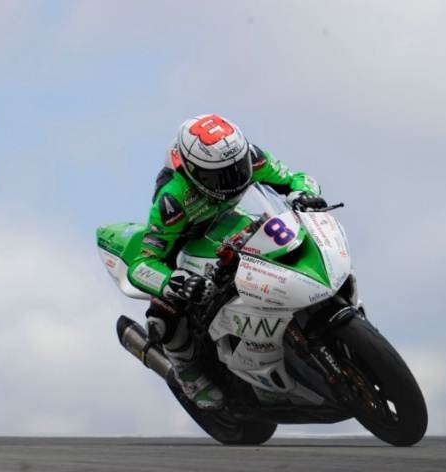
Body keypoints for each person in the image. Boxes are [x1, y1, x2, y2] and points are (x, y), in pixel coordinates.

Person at [127, 114, 326, 409]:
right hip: (189, 243)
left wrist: (305, 194)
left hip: (239, 221)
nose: (234, 178)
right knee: (164, 316)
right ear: (194, 173)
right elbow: (143, 263)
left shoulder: (251, 158)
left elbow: (295, 178)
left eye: (238, 168)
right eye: (221, 175)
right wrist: (174, 282)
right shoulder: (172, 201)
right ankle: (187, 373)